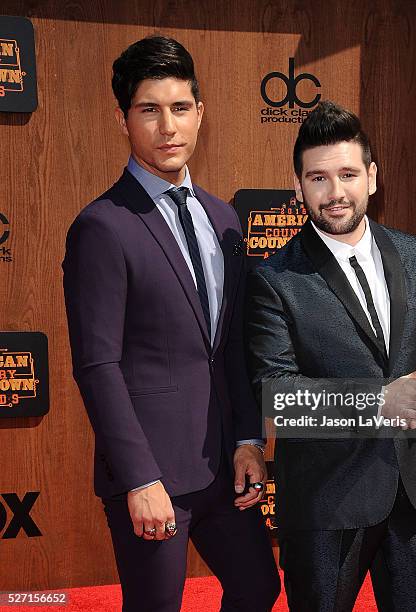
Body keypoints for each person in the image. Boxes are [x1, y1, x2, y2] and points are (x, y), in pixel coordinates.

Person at [63, 36, 280, 612]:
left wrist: (248, 441)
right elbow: (96, 364)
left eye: (180, 108)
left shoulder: (223, 217)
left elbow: (230, 344)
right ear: (122, 120)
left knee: (259, 585)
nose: (167, 127)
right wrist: (139, 478)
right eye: (149, 110)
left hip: (220, 464)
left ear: (200, 113)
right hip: (153, 472)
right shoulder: (102, 227)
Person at [246, 101, 416, 611]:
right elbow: (277, 394)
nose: (335, 192)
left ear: (372, 176)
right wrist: (378, 402)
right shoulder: (274, 280)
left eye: (348, 174)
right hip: (327, 499)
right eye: (318, 178)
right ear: (299, 185)